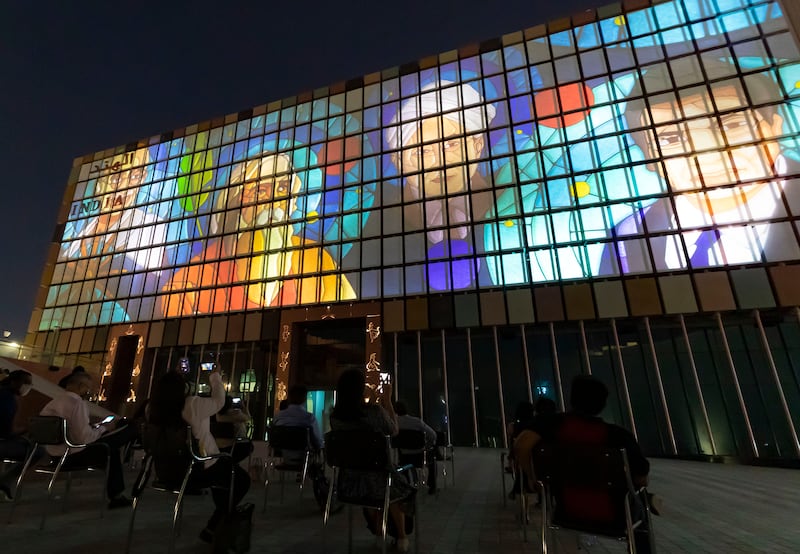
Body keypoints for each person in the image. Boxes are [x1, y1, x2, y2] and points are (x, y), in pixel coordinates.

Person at [599, 58, 795, 274]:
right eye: (671, 139)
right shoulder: (629, 235)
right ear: (650, 158)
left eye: (732, 125)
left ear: (774, 128)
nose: (706, 153)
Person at [160, 151, 355, 316]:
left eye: (282, 189)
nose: (275, 201)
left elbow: (349, 316)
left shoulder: (316, 260)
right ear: (237, 204)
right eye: (260, 191)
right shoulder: (188, 284)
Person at [514, 375, 653, 552]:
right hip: (612, 516)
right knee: (641, 501)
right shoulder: (620, 436)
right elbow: (642, 479)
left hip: (565, 511)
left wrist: (533, 478)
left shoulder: (551, 424)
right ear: (602, 404)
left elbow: (521, 445)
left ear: (572, 399)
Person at [384, 81, 497, 291]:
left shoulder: (505, 196)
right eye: (422, 151)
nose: (440, 161)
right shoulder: (381, 218)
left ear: (478, 146)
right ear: (398, 162)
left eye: (452, 144)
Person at [148, 368, 250, 544]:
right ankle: (215, 525)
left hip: (165, 474)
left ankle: (219, 521)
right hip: (196, 472)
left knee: (225, 478)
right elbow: (219, 401)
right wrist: (215, 377)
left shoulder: (152, 410)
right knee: (241, 480)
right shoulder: (192, 404)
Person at [330, 369, 413, 552]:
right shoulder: (375, 412)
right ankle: (401, 537)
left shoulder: (335, 417)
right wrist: (387, 402)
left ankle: (378, 534)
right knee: (390, 487)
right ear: (360, 389)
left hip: (350, 482)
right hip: (379, 478)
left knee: (368, 482)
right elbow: (393, 430)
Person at [39, 372, 135, 508]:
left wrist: (95, 428)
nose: (88, 392)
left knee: (111, 449)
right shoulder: (77, 403)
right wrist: (103, 429)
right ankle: (117, 495)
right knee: (126, 431)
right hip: (73, 455)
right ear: (81, 386)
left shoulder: (53, 403)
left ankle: (117, 495)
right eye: (87, 388)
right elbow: (84, 438)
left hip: (53, 455)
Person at [0, 371, 45, 501]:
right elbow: (6, 431)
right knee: (37, 451)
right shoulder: (7, 399)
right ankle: (5, 481)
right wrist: (27, 429)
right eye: (26, 383)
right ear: (14, 382)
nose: (28, 387)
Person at [393, 400, 438, 494]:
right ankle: (432, 486)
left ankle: (407, 484)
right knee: (432, 461)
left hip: (404, 458)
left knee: (402, 463)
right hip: (420, 456)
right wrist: (427, 446)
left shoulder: (394, 424)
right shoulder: (416, 422)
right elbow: (433, 435)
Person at [272, 384, 323, 465]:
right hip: (305, 458)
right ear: (304, 399)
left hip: (282, 456)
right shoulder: (309, 418)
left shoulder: (278, 417)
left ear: (289, 398)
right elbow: (318, 442)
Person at [213, 395, 254, 463]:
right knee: (250, 446)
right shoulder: (236, 413)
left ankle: (230, 464)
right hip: (234, 446)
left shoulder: (218, 416)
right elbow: (248, 418)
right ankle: (233, 464)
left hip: (219, 447)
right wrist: (245, 407)